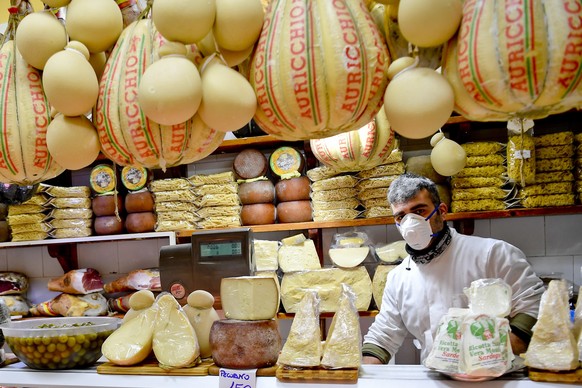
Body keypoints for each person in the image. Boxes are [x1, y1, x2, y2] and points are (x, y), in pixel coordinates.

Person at [362, 173, 545, 364]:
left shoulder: (492, 254)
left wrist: (487, 353)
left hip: (496, 376)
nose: (410, 223)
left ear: (442, 211)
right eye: (401, 216)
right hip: (434, 377)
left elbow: (534, 305)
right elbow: (383, 335)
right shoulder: (398, 278)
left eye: (419, 211)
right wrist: (364, 376)